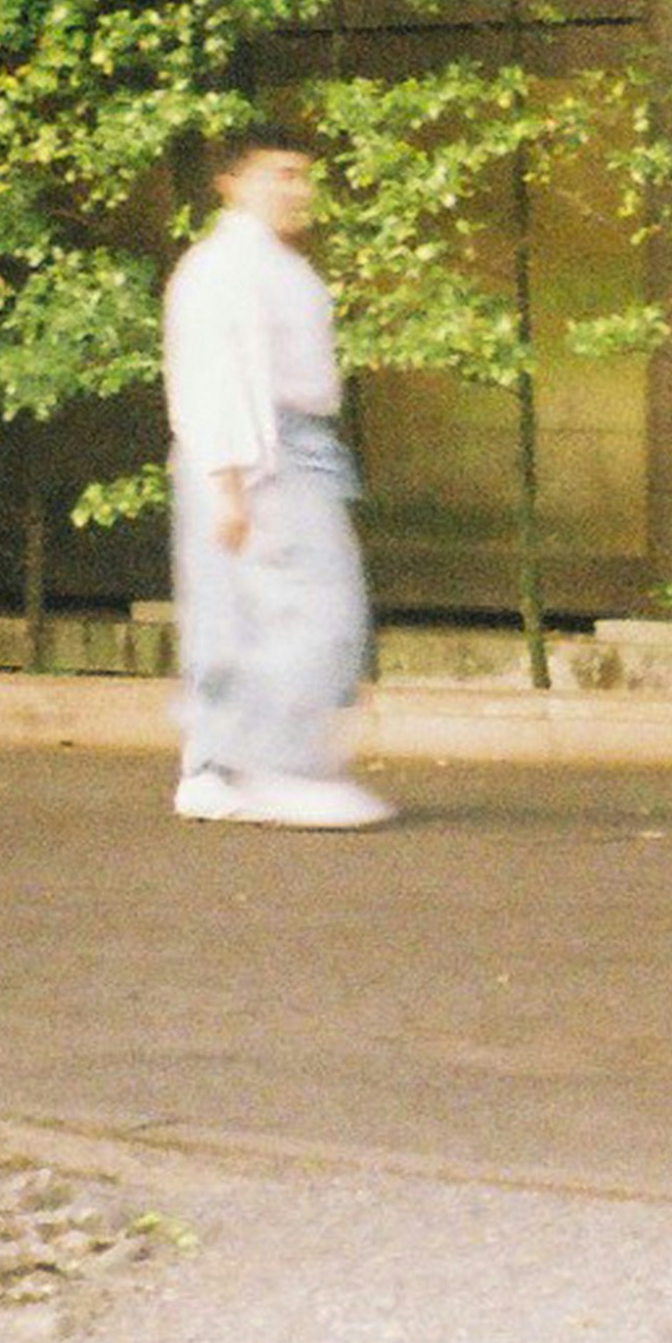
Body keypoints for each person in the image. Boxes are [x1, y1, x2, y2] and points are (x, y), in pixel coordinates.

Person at [162, 129, 394, 828]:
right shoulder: (226, 268)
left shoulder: (270, 265)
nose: (296, 189)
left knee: (235, 618)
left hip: (278, 448)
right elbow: (215, 378)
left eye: (303, 176)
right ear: (231, 184)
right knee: (315, 609)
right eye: (280, 174)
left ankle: (217, 768)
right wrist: (229, 484)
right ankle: (276, 768)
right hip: (263, 451)